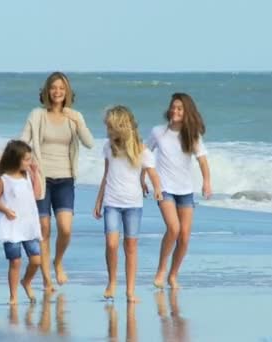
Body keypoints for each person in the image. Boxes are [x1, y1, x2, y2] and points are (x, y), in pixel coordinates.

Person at [19, 72, 94, 291]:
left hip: (65, 179)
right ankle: (46, 279)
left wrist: (78, 121)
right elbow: (23, 140)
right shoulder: (37, 115)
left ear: (67, 91)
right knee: (43, 228)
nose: (57, 92)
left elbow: (89, 142)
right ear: (47, 91)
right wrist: (5, 161)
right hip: (41, 178)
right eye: (53, 87)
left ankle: (58, 261)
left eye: (62, 88)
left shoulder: (74, 116)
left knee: (66, 228)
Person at [93, 105, 162, 303]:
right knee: (111, 244)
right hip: (111, 203)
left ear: (121, 126)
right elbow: (106, 175)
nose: (108, 131)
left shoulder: (141, 150)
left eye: (110, 127)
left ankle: (131, 290)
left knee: (131, 246)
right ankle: (112, 281)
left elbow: (153, 174)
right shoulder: (108, 147)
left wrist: (157, 189)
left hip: (133, 205)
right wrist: (98, 200)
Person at [143, 92, 212, 289]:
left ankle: (173, 275)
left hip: (185, 190)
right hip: (164, 188)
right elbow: (144, 154)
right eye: (173, 107)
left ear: (186, 111)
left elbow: (203, 161)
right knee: (173, 228)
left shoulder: (192, 135)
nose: (175, 110)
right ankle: (161, 270)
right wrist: (142, 178)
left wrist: (207, 182)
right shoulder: (158, 132)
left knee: (184, 236)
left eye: (180, 108)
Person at [0, 140, 42, 305]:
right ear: (15, 159)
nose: (29, 162)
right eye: (26, 160)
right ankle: (13, 296)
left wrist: (35, 174)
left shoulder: (27, 175)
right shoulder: (4, 179)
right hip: (12, 226)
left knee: (36, 260)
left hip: (28, 225)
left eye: (30, 159)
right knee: (15, 261)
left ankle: (26, 281)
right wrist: (5, 210)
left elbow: (37, 195)